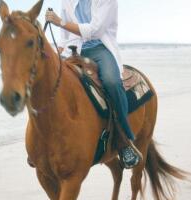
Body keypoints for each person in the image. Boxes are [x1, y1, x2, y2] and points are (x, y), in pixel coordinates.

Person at [45, 0, 141, 168]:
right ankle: (42, 142)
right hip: (73, 48)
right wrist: (58, 51)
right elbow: (64, 35)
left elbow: (93, 31)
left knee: (111, 82)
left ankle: (125, 141)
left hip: (99, 48)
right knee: (48, 79)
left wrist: (59, 21)